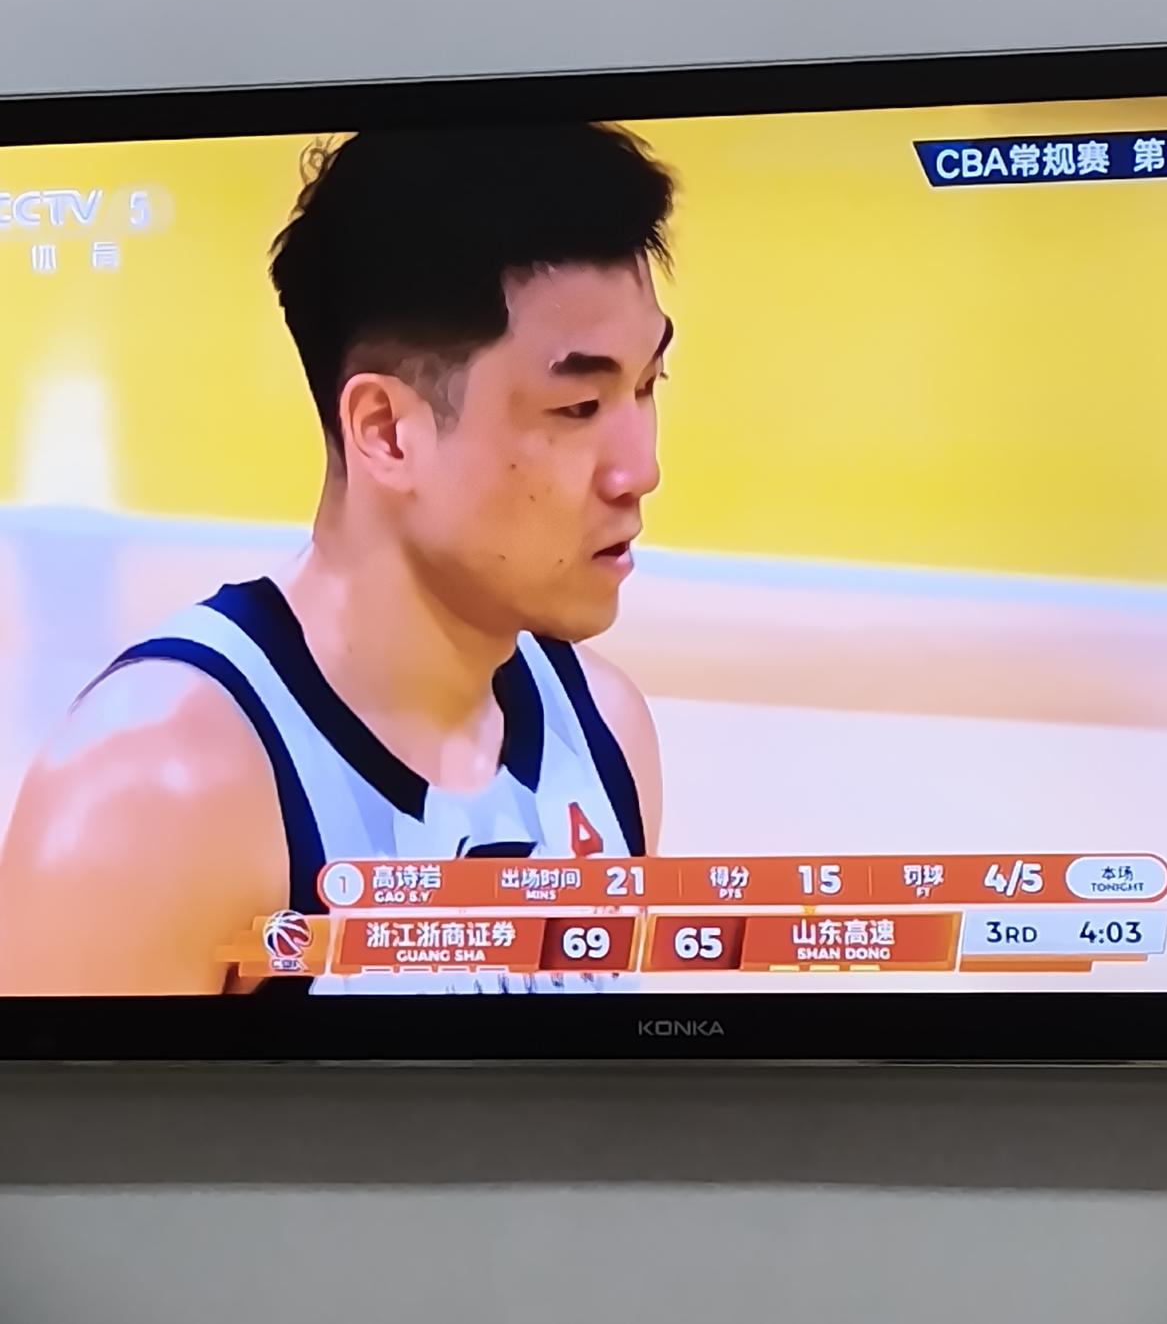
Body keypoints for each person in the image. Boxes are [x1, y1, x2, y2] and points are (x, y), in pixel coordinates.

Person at [0, 123, 674, 994]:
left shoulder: (608, 736)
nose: (639, 469)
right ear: (386, 432)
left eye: (648, 386)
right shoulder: (150, 799)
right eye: (579, 407)